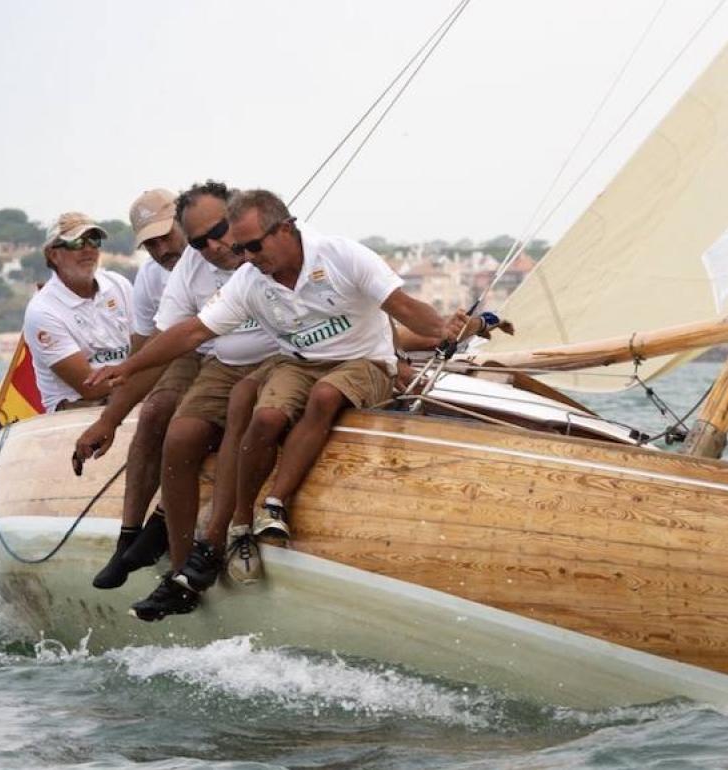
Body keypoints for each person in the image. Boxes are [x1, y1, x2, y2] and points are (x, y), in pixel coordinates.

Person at [86, 189, 471, 616]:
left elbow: (404, 309)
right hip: (291, 364)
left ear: (285, 229)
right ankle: (202, 554)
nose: (243, 255)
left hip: (349, 363)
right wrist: (130, 367)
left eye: (251, 245)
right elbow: (193, 332)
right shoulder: (250, 278)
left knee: (297, 396)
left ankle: (258, 514)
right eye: (237, 247)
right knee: (244, 416)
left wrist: (449, 329)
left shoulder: (342, 256)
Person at [125, 181, 280, 622]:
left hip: (280, 360)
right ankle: (178, 572)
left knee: (243, 408)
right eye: (199, 241)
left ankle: (210, 548)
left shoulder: (270, 252)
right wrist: (123, 380)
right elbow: (180, 334)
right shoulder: (191, 267)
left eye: (219, 231)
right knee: (179, 435)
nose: (213, 246)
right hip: (223, 365)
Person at [72, 190, 196, 590]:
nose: (162, 249)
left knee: (190, 421)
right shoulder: (151, 276)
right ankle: (128, 537)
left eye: (167, 236)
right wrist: (109, 419)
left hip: (232, 356)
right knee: (156, 409)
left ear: (184, 222)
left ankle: (161, 527)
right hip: (187, 355)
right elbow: (145, 353)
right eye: (151, 243)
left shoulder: (219, 259)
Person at [23, 212, 133, 413]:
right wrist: (143, 379)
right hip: (77, 405)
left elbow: (142, 343)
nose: (88, 249)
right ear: (53, 255)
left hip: (130, 390)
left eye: (94, 241)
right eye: (76, 243)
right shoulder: (42, 311)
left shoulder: (119, 285)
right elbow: (88, 387)